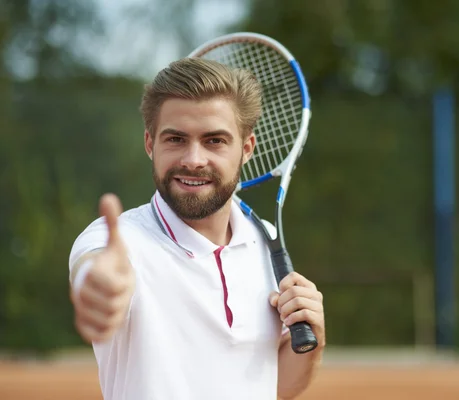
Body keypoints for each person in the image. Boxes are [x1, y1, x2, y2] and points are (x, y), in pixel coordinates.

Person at [68, 57, 326, 400]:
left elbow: (277, 388)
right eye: (175, 139)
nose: (193, 159)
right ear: (150, 144)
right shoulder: (116, 241)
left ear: (246, 148)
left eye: (214, 140)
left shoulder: (262, 239)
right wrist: (98, 286)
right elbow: (95, 269)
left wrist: (313, 339)